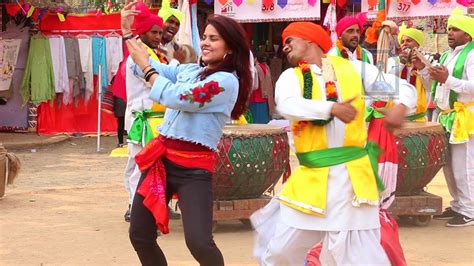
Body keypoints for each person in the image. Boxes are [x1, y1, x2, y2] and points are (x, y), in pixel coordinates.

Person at [251, 22, 416, 265]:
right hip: (312, 180)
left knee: (359, 256)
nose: (284, 47)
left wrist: (401, 107)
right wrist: (332, 108)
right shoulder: (291, 77)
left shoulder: (354, 69)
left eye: (289, 40)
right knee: (280, 251)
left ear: (310, 40)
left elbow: (401, 87)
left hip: (353, 181)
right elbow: (287, 104)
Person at [122, 3, 252, 264]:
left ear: (231, 47)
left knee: (200, 243)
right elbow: (144, 66)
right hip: (162, 161)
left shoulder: (227, 82)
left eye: (214, 39)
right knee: (140, 234)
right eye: (204, 37)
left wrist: (147, 69)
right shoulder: (191, 70)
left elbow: (177, 97)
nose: (205, 43)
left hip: (194, 170)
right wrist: (127, 33)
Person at [120, 2, 171, 222]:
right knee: (138, 166)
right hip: (141, 120)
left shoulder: (155, 54)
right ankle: (135, 207)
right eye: (154, 32)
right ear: (143, 32)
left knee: (148, 166)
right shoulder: (138, 57)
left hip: (153, 121)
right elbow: (156, 83)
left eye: (160, 32)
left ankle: (147, 206)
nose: (158, 36)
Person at [431, 8, 474, 227]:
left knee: (463, 166)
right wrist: (423, 69)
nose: (450, 33)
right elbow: (439, 83)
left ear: (468, 35)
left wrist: (447, 79)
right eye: (449, 29)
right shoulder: (449, 55)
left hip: (465, 118)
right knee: (448, 165)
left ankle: (469, 210)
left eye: (455, 29)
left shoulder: (472, 54)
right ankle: (458, 205)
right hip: (448, 117)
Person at [386, 23, 432, 122]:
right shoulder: (392, 61)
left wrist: (422, 68)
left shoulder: (427, 61)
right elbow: (388, 83)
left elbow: (430, 86)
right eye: (402, 41)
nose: (404, 44)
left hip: (419, 119)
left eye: (409, 41)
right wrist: (402, 63)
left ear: (418, 44)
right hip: (396, 118)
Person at [248, 52, 274, 123]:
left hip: (256, 95)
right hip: (265, 96)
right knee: (264, 118)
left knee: (255, 119)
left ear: (255, 59)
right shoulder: (266, 67)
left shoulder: (255, 68)